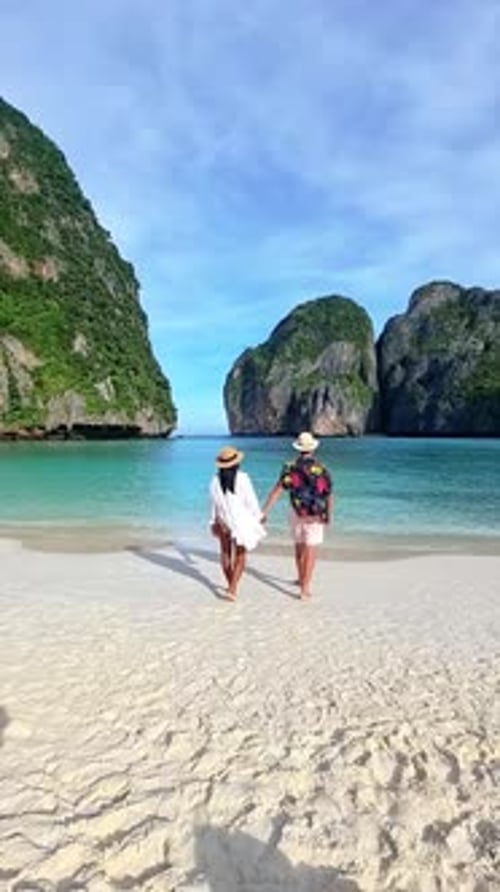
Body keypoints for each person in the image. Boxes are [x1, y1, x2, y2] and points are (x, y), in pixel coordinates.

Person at [261, 431, 333, 600]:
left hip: (296, 512)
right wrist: (328, 514)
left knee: (299, 547)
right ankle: (305, 589)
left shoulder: (290, 467)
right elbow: (328, 494)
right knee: (311, 550)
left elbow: (277, 491)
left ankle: (301, 579)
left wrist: (264, 511)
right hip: (315, 515)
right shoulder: (321, 469)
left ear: (299, 449)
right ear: (313, 449)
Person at [209, 445, 266, 601]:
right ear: (236, 463)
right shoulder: (243, 478)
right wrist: (259, 516)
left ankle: (230, 586)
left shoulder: (214, 481)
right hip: (241, 521)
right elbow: (251, 500)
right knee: (240, 555)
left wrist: (213, 521)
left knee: (225, 553)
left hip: (223, 520)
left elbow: (213, 504)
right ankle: (233, 588)